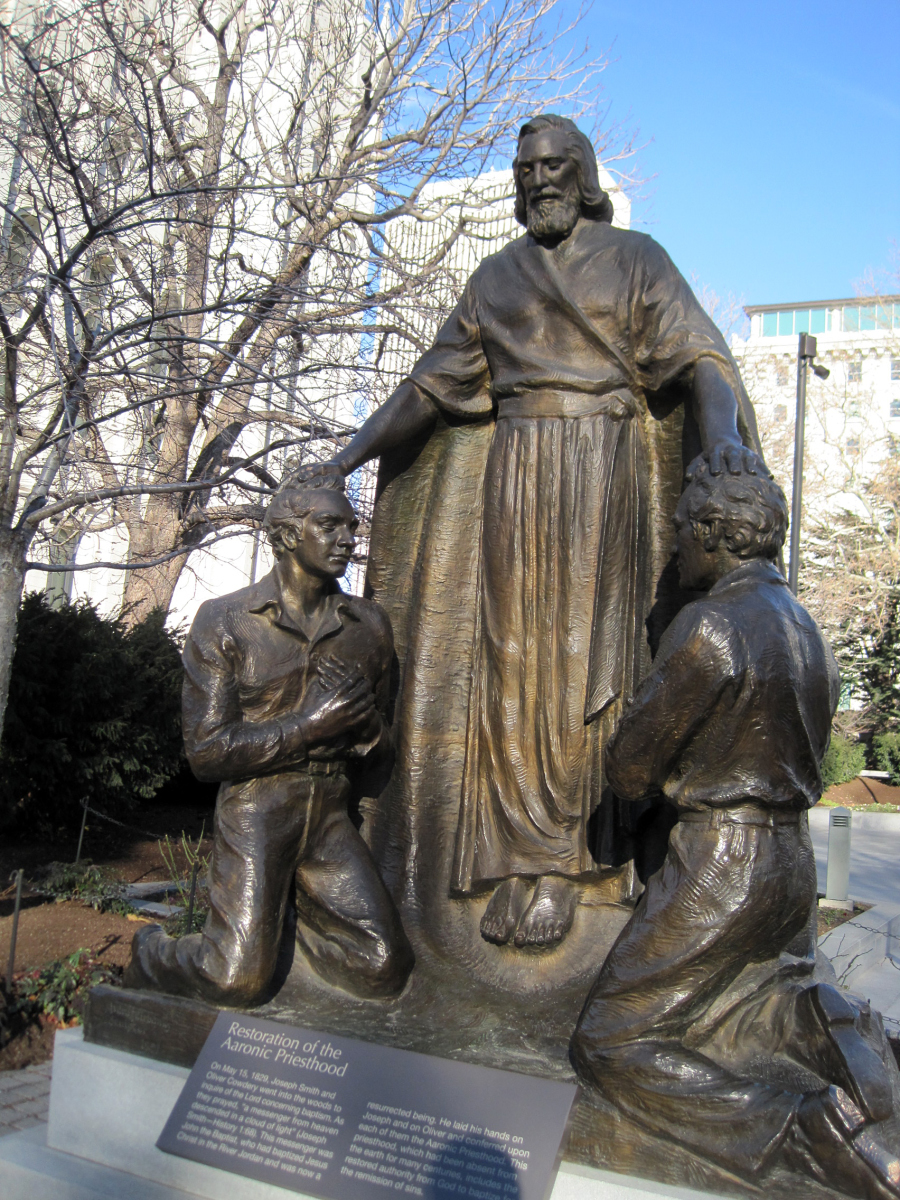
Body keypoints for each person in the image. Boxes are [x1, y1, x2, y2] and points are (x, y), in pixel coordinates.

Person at [305, 113, 765, 960]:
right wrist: (343, 457)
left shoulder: (637, 259)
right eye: (526, 169)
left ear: (583, 174)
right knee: (511, 663)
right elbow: (427, 389)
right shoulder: (496, 277)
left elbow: (703, 358)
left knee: (583, 662)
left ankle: (570, 864)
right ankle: (512, 859)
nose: (538, 180)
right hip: (514, 471)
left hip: (599, 468)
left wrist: (726, 440)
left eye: (554, 165)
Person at [571, 460, 900, 1199]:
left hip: (721, 857)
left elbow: (629, 769)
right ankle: (841, 1031)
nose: (678, 549)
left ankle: (799, 1127)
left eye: (684, 532)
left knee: (613, 1040)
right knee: (756, 1000)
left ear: (716, 533)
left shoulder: (710, 624)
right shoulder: (808, 629)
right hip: (792, 858)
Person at [125, 475, 413, 1005]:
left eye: (351, 526)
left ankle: (271, 946)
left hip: (330, 814)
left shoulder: (368, 626)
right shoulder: (226, 620)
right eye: (329, 525)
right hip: (258, 810)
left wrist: (368, 727)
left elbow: (381, 757)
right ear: (286, 535)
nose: (348, 539)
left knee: (381, 965)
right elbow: (206, 752)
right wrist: (310, 725)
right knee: (233, 980)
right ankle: (153, 953)